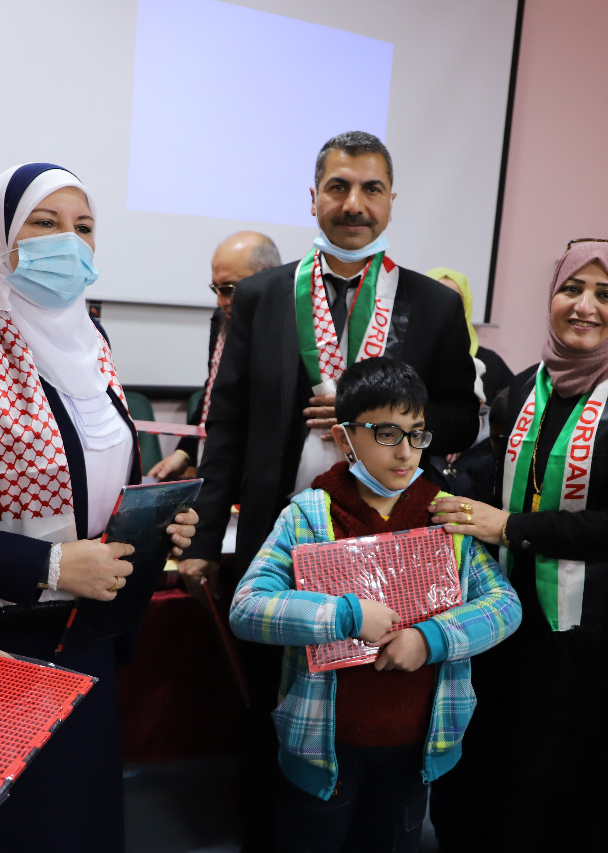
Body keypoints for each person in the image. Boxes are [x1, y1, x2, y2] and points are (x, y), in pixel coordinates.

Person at [177, 131, 479, 851]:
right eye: (338, 187)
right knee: (271, 702)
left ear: (392, 201)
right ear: (313, 198)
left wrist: (377, 413)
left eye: (371, 189)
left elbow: (463, 418)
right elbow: (226, 426)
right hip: (283, 536)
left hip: (389, 542)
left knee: (374, 702)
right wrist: (203, 537)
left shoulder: (435, 304)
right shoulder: (261, 295)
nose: (354, 204)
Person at [0, 163, 198, 853]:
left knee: (76, 819)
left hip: (86, 632)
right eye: (45, 222)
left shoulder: (95, 345)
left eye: (84, 227)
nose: (69, 240)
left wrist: (154, 525)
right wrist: (53, 564)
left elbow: (103, 481)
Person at [429, 240, 608, 851]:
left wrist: (509, 527)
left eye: (606, 294)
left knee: (577, 771)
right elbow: (492, 484)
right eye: (571, 289)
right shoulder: (523, 389)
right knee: (505, 754)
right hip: (513, 610)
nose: (584, 306)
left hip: (605, 626)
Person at [228, 356, 520, 853]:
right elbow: (249, 608)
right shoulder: (308, 517)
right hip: (323, 747)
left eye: (416, 434)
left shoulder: (443, 515)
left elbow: (503, 605)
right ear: (345, 439)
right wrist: (344, 616)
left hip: (417, 746)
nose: (405, 452)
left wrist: (430, 639)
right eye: (386, 433)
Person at [149, 231, 281, 481]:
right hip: (218, 469)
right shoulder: (222, 320)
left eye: (230, 289)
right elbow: (215, 392)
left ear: (267, 278)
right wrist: (184, 453)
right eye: (216, 289)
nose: (220, 301)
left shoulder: (296, 329)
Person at [422, 266, 514, 501]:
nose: (443, 306)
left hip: (476, 484)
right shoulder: (409, 355)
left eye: (453, 300)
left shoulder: (490, 362)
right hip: (418, 473)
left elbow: (510, 417)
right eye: (435, 296)